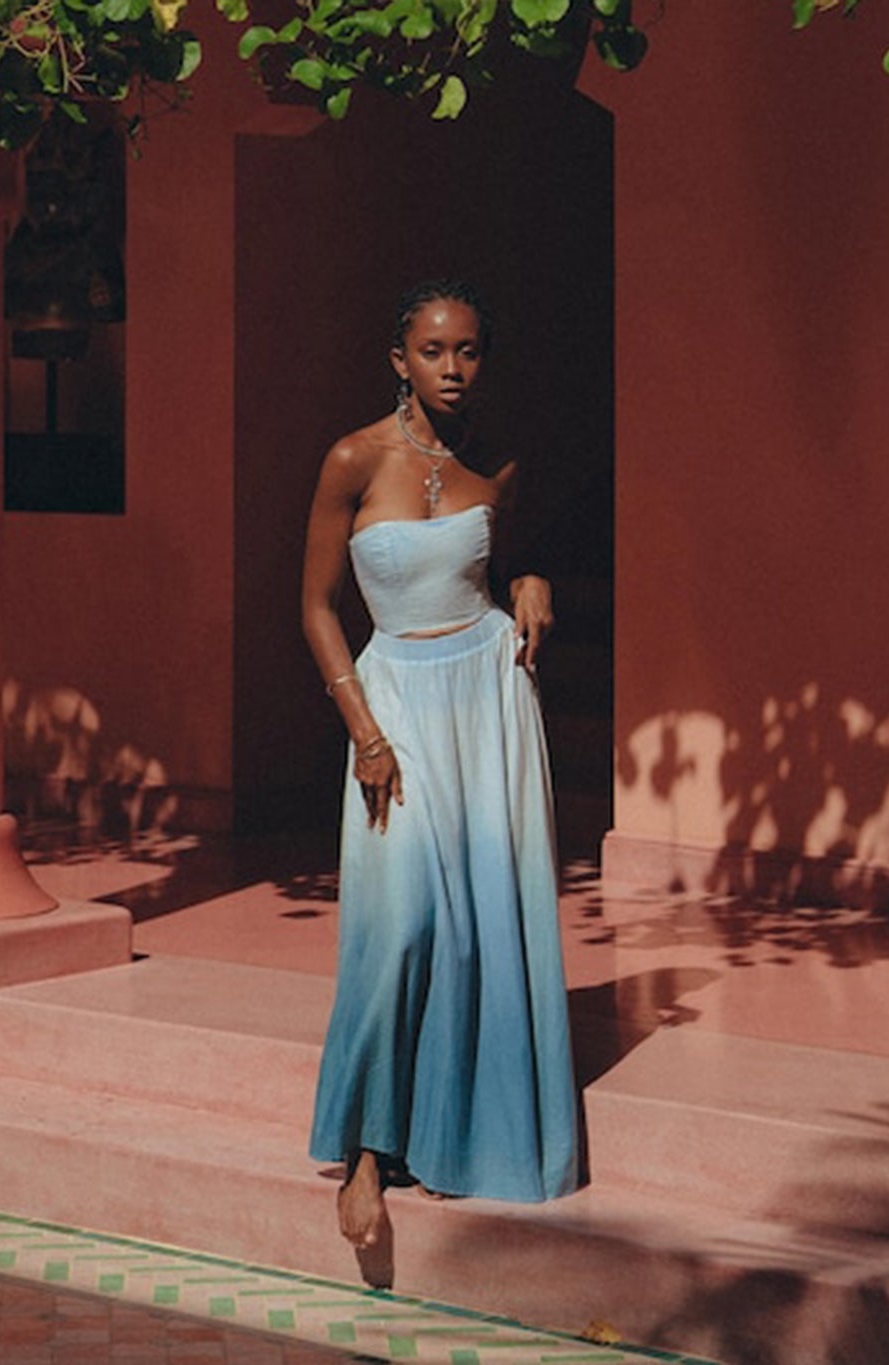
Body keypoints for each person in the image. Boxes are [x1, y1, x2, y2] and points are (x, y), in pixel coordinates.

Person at [301, 280, 579, 1252]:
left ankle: (466, 1136)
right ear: (397, 358)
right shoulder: (351, 460)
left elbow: (513, 551)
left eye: (466, 352)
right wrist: (363, 734)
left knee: (479, 928)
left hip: (487, 699)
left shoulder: (496, 461)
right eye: (432, 351)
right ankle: (366, 1157)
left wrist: (531, 579)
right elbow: (316, 608)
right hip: (394, 706)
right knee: (402, 920)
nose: (451, 370)